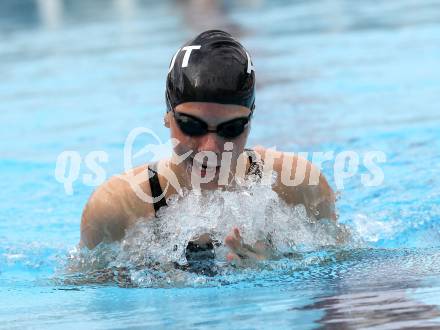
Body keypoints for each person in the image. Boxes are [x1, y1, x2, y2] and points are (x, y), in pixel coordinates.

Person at [80, 30, 336, 264]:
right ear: (167, 115)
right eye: (192, 125)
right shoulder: (118, 209)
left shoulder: (298, 186)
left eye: (231, 128)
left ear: (250, 120)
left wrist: (278, 268)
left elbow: (341, 277)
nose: (211, 148)